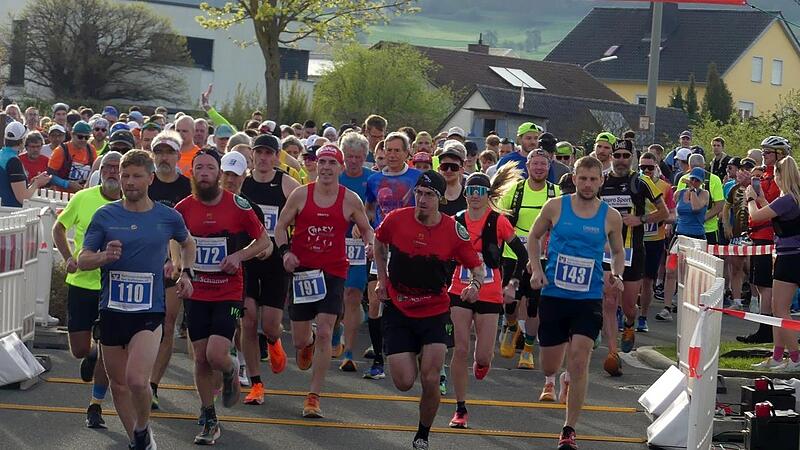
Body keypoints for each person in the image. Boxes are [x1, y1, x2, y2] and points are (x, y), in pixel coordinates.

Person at [78, 150, 195, 450]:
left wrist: (186, 272)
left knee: (136, 381)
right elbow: (83, 259)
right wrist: (104, 256)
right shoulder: (106, 216)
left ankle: (143, 427)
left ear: (150, 179)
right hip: (113, 310)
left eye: (136, 176)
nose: (129, 182)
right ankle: (139, 441)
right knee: (118, 384)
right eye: (125, 176)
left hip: (148, 311)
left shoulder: (167, 216)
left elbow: (187, 241)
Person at [374, 170, 483, 450]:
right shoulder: (397, 219)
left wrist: (475, 285)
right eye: (419, 194)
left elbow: (476, 266)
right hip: (399, 309)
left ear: (440, 199)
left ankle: (423, 434)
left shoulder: (453, 230)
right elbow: (378, 241)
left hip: (435, 312)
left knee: (431, 377)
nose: (422, 200)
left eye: (429, 195)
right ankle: (415, 362)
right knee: (404, 382)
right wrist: (382, 282)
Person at [527, 155, 626, 450]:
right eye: (583, 178)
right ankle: (554, 377)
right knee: (549, 363)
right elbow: (533, 237)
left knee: (580, 360)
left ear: (601, 181)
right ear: (574, 177)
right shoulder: (556, 206)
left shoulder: (610, 216)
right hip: (554, 294)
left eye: (593, 179)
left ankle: (568, 431)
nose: (587, 184)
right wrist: (536, 269)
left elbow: (619, 252)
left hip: (589, 297)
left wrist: (617, 274)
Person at [175, 150, 270, 444]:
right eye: (199, 167)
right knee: (201, 359)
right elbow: (175, 242)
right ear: (192, 173)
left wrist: (239, 256)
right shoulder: (183, 208)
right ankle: (208, 416)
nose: (204, 172)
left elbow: (264, 241)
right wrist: (182, 270)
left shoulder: (238, 206)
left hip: (228, 291)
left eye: (210, 168)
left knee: (216, 354)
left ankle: (231, 368)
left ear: (218, 174)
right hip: (196, 291)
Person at [274, 144, 374, 418]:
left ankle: (313, 397)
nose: (327, 167)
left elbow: (367, 229)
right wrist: (285, 253)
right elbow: (280, 226)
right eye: (323, 162)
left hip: (333, 271)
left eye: (332, 162)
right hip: (303, 270)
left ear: (341, 168)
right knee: (299, 339)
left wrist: (369, 245)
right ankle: (308, 342)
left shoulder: (349, 199)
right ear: (316, 166)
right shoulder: (300, 194)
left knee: (327, 332)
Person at [447, 167, 527, 429]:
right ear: (466, 193)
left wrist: (513, 283)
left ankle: (482, 363)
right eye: (470, 191)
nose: (475, 196)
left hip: (491, 292)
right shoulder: (456, 220)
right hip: (459, 288)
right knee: (460, 348)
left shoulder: (499, 221)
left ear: (488, 195)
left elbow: (521, 254)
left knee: (482, 356)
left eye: (481, 191)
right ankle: (460, 408)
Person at [52, 151, 121, 430]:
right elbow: (59, 227)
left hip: (113, 286)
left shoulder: (130, 203)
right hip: (82, 282)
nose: (113, 172)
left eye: (118, 168)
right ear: (100, 170)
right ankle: (91, 353)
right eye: (108, 167)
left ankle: (95, 406)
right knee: (80, 350)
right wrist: (68, 257)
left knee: (108, 350)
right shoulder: (83, 198)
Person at [239, 134, 300, 405]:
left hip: (276, 261)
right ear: (252, 155)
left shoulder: (286, 184)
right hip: (248, 258)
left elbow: (303, 213)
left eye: (268, 153)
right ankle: (256, 383)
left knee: (270, 326)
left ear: (276, 157)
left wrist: (292, 249)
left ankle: (274, 342)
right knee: (248, 320)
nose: (263, 158)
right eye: (259, 152)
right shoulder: (243, 183)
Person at [599, 140, 667, 376]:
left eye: (625, 155)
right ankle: (612, 351)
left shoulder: (641, 182)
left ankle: (629, 324)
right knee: (609, 301)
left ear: (633, 158)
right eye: (616, 154)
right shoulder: (602, 181)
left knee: (628, 305)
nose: (620, 159)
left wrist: (641, 220)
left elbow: (665, 213)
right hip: (607, 251)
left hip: (633, 251)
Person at [363, 131, 421, 380]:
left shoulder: (417, 178)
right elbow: (368, 210)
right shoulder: (374, 180)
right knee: (375, 302)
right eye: (389, 149)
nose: (393, 154)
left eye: (398, 150)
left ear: (407, 153)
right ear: (383, 151)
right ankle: (378, 360)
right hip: (382, 247)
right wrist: (366, 234)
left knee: (404, 303)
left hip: (410, 250)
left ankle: (407, 353)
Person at [498, 150, 562, 372]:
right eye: (534, 164)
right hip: (513, 254)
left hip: (543, 255)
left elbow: (561, 225)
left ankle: (527, 350)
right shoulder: (515, 191)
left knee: (535, 306)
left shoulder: (556, 193)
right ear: (527, 166)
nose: (538, 168)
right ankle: (512, 325)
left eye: (543, 164)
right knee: (509, 301)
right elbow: (501, 221)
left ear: (548, 166)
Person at [144, 130, 193, 410]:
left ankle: (152, 386)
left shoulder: (188, 187)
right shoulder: (145, 184)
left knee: (167, 325)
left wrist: (179, 262)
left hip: (172, 267)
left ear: (178, 155)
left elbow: (190, 232)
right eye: (159, 152)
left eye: (168, 152)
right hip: (142, 264)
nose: (163, 157)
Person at [746, 154, 800, 371]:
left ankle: (795, 357)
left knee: (780, 311)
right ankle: (778, 356)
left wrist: (750, 199)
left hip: (789, 258)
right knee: (780, 311)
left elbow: (758, 216)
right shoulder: (793, 199)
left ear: (780, 175)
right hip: (791, 255)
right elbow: (771, 210)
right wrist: (760, 198)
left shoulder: (787, 199)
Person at [738, 136, 791, 344]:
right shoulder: (765, 174)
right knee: (760, 284)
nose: (764, 156)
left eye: (768, 152)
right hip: (758, 234)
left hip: (770, 236)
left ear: (779, 155)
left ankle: (766, 329)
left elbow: (771, 207)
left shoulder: (779, 178)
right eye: (763, 152)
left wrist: (754, 194)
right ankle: (765, 326)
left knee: (767, 286)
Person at [337, 132, 376, 372]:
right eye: (349, 157)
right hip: (334, 242)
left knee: (352, 293)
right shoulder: (334, 177)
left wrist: (362, 224)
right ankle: (335, 332)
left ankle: (349, 352)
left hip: (360, 245)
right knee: (335, 296)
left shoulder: (372, 179)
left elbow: (376, 210)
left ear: (365, 157)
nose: (353, 161)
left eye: (358, 157)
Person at [657, 167, 709, 322]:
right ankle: (666, 307)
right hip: (680, 235)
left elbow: (696, 207)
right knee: (671, 270)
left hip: (696, 237)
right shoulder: (679, 194)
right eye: (692, 179)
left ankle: (691, 306)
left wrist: (693, 190)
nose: (693, 182)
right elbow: (676, 214)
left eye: (697, 180)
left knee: (692, 274)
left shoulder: (704, 194)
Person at [638, 152, 675, 331]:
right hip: (634, 239)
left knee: (647, 281)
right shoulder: (633, 184)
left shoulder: (665, 186)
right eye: (642, 167)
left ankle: (643, 317)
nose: (646, 170)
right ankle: (624, 313)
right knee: (629, 280)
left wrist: (658, 219)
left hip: (655, 239)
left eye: (650, 167)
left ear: (656, 167)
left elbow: (673, 214)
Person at [722, 157, 757, 310]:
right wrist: (726, 225)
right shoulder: (734, 189)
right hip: (736, 233)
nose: (745, 172)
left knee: (751, 268)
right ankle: (737, 301)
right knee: (735, 266)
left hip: (753, 233)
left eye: (748, 169)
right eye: (743, 169)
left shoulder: (757, 188)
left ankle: (756, 298)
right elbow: (725, 207)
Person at [1, 122, 51, 206]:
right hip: (9, 212)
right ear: (23, 141)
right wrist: (37, 183)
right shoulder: (13, 161)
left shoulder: (2, 155)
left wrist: (31, 184)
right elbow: (23, 198)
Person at [47, 120, 97, 192]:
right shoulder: (61, 151)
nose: (83, 140)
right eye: (80, 137)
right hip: (62, 195)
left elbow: (95, 172)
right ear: (72, 134)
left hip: (82, 194)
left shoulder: (91, 150)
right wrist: (67, 184)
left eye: (86, 137)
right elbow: (50, 176)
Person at [438, 142, 467, 216]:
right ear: (439, 169)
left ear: (461, 170)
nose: (449, 170)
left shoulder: (467, 196)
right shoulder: (433, 195)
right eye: (445, 167)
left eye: (454, 167)